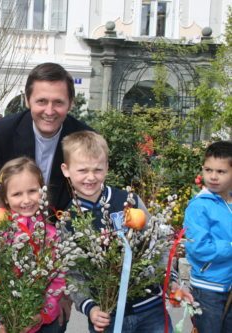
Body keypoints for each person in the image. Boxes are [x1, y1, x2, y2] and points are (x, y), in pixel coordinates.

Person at [60, 131, 191, 333]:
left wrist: (171, 281)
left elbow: (156, 243)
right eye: (82, 170)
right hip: (106, 316)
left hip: (150, 309)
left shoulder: (129, 201)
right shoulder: (68, 221)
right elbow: (73, 274)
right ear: (66, 170)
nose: (90, 177)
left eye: (97, 169)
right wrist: (90, 307)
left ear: (107, 168)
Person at [0, 62, 92, 212]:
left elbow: (91, 191)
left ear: (70, 103)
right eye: (42, 101)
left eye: (58, 102)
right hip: (13, 225)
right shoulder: (3, 132)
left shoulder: (84, 138)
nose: (49, 111)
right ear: (27, 100)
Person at [0, 157, 66, 333]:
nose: (26, 200)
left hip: (38, 323)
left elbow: (58, 279)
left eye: (32, 191)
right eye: (17, 194)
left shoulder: (49, 235)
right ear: (6, 198)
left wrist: (42, 314)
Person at [184, 140, 232, 333]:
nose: (213, 177)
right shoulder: (199, 206)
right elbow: (199, 247)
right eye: (208, 170)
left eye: (221, 172)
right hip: (208, 288)